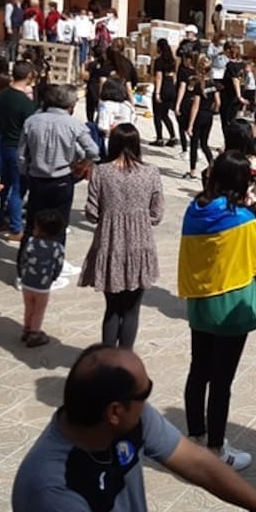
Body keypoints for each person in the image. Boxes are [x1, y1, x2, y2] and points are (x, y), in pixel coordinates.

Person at [11, 345, 256, 512]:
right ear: (114, 412)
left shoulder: (130, 420)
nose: (148, 401)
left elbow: (198, 463)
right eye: (145, 392)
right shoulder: (52, 492)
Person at [178, 151, 256, 470]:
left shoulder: (195, 209)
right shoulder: (242, 219)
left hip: (200, 304)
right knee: (221, 382)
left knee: (198, 371)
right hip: (231, 307)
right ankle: (217, 448)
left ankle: (196, 435)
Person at [80, 123, 164, 350]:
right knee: (131, 309)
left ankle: (107, 356)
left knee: (112, 308)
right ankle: (125, 358)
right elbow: (157, 214)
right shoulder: (150, 172)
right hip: (140, 244)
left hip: (109, 244)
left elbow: (92, 213)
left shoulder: (100, 172)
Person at [18, 84, 100, 288]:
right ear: (71, 104)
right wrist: (82, 165)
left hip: (37, 178)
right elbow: (93, 151)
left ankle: (22, 270)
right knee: (59, 226)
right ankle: (54, 269)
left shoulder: (32, 121)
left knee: (31, 225)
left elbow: (21, 156)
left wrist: (27, 172)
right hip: (62, 179)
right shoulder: (74, 124)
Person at [0, 61, 37, 242]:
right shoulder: (25, 103)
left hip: (4, 144)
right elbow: (32, 128)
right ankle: (17, 228)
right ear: (29, 76)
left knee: (5, 183)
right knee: (18, 188)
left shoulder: (2, 96)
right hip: (19, 147)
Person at [19, 209, 68, 348]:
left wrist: (23, 272)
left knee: (29, 307)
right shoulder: (58, 247)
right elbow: (58, 265)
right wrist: (54, 277)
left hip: (27, 282)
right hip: (43, 286)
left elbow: (23, 259)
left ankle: (27, 329)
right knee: (39, 310)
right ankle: (35, 333)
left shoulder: (30, 242)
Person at [182, 62, 219, 180]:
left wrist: (190, 125)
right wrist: (213, 110)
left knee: (194, 144)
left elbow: (195, 106)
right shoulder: (213, 85)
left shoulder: (199, 86)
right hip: (209, 116)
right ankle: (213, 164)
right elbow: (218, 102)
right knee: (204, 143)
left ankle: (192, 171)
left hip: (199, 116)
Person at [150, 38, 178, 148]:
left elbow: (159, 77)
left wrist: (157, 93)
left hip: (162, 89)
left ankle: (159, 138)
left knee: (157, 115)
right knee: (165, 114)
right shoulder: (172, 61)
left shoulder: (159, 61)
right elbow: (174, 77)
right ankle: (173, 136)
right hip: (171, 88)